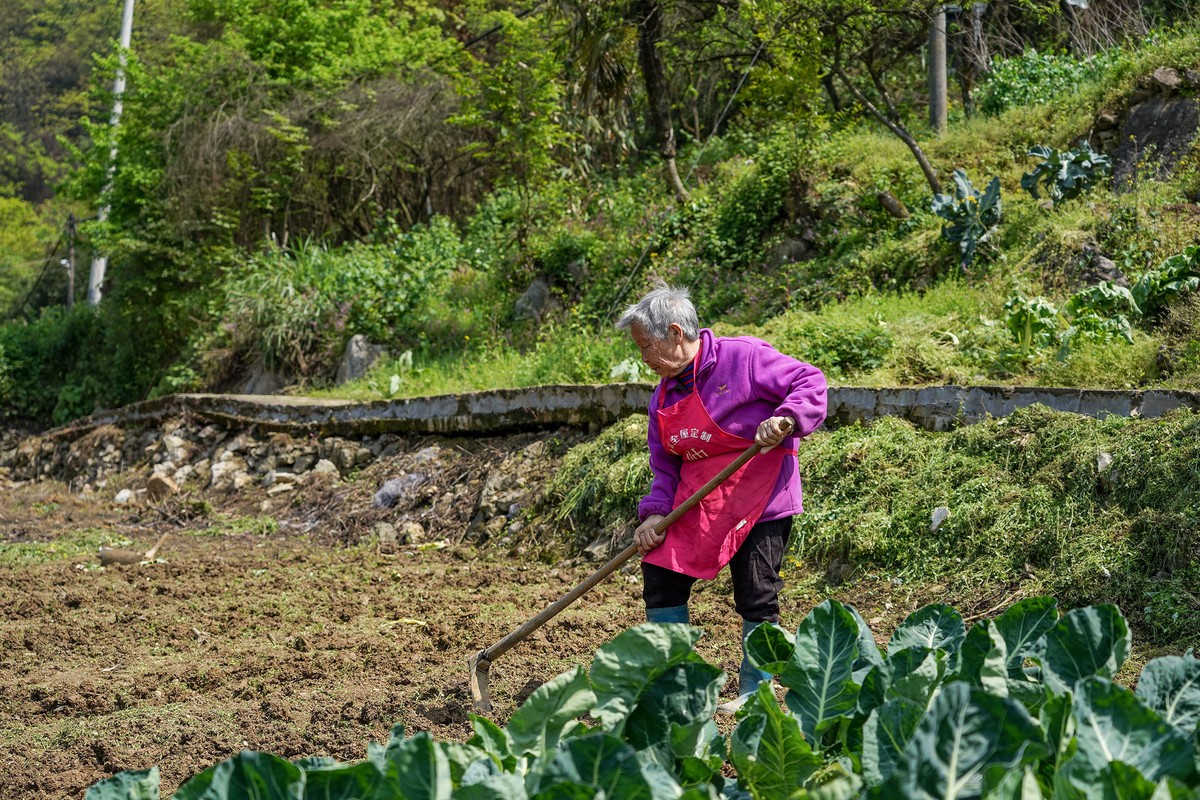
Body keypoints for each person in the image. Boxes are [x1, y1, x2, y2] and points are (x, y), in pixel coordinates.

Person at [616, 282, 827, 711]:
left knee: (756, 591)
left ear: (675, 333)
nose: (644, 358)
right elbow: (665, 466)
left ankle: (755, 691)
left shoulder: (742, 357)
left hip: (760, 491)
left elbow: (810, 380)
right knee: (660, 571)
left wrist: (785, 419)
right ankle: (677, 686)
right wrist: (655, 513)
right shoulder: (663, 396)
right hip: (698, 497)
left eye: (646, 347)